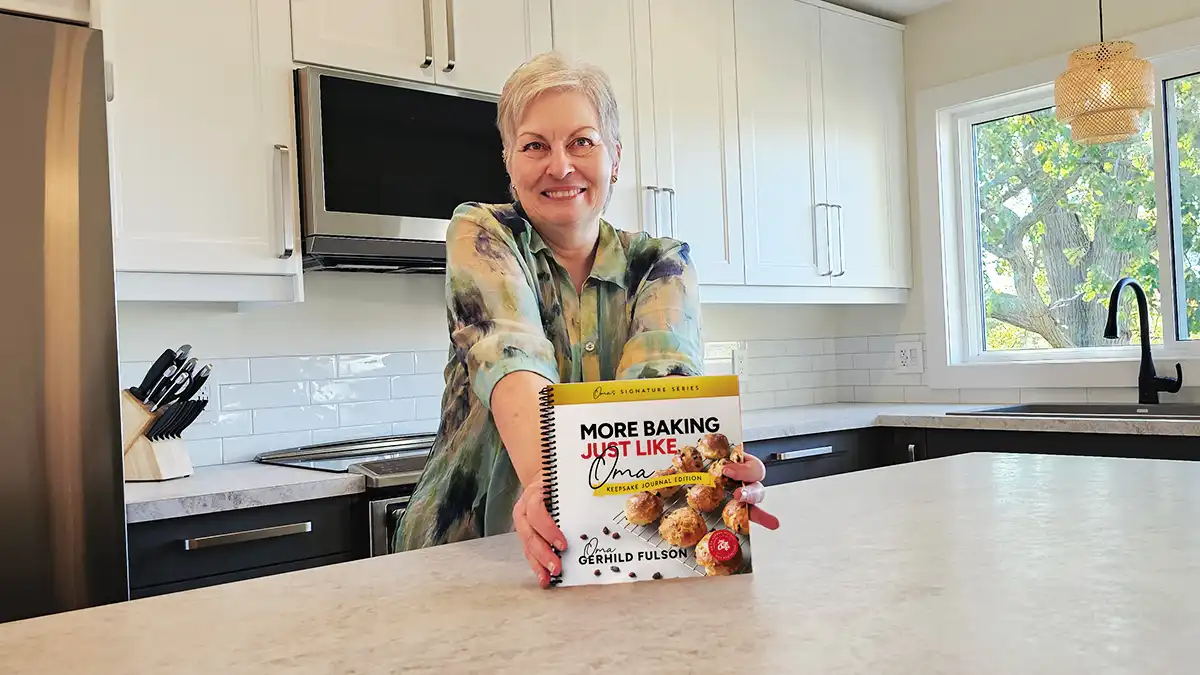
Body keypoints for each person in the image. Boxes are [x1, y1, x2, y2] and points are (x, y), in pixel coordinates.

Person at [393, 52, 779, 586]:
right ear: (508, 162)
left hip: (614, 553)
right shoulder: (481, 232)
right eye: (534, 146)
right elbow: (512, 358)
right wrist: (546, 488)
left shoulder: (663, 264)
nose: (560, 166)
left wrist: (707, 485)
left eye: (582, 141)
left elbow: (658, 402)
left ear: (614, 158)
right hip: (467, 554)